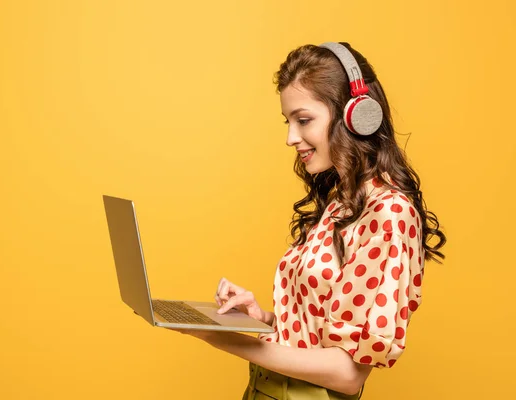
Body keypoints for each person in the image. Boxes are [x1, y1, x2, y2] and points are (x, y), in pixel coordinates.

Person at [171, 42, 446, 399]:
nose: (290, 138)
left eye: (303, 120)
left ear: (357, 115)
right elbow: (315, 337)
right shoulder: (340, 204)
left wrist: (219, 338)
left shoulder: (389, 212)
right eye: (288, 122)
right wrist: (261, 318)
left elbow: (348, 375)